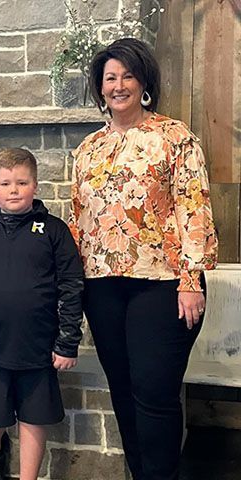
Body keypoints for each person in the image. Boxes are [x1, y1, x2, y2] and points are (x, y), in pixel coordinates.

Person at [68, 38, 218, 480]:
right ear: (100, 88)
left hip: (165, 284)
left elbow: (194, 208)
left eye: (127, 76)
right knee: (124, 390)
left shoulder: (175, 137)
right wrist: (70, 287)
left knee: (155, 392)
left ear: (144, 82)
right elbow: (77, 218)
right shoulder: (88, 149)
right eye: (110, 78)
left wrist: (192, 278)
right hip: (101, 286)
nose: (118, 85)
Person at [0, 148, 84, 480]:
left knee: (33, 416)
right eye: (5, 183)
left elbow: (72, 285)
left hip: (38, 347)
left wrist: (67, 342)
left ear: (35, 185)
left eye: (21, 182)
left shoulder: (54, 231)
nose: (13, 190)